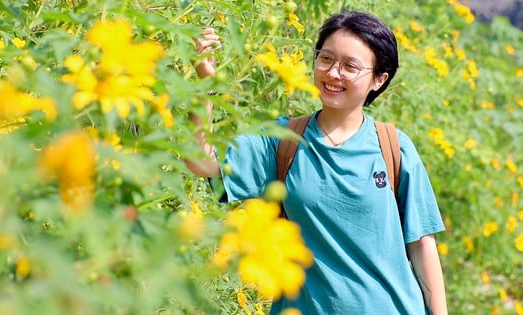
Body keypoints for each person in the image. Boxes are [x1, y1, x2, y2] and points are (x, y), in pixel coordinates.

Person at [189, 10, 448, 315]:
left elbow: (420, 245)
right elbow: (202, 164)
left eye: (350, 66)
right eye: (326, 59)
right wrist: (203, 86)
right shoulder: (282, 140)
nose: (333, 73)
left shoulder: (394, 147)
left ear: (379, 79)